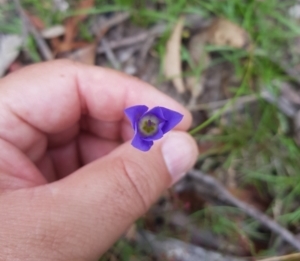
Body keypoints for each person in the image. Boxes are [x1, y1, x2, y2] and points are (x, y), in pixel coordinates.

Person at [0, 60, 197, 260]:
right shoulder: (138, 123)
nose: (148, 127)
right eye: (145, 125)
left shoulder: (146, 125)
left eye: (150, 127)